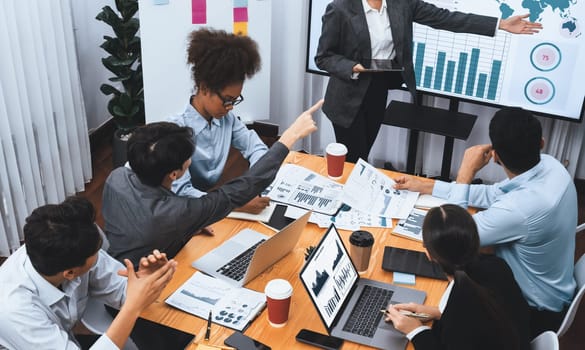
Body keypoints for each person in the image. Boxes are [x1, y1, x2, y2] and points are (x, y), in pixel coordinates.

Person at [394, 107, 578, 337]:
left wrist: (466, 170)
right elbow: (492, 194)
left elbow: (455, 240)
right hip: (553, 289)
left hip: (531, 312)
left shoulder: (520, 209)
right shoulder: (552, 165)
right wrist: (427, 186)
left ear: (495, 156)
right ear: (541, 143)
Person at [315, 0, 543, 163]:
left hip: (377, 89)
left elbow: (447, 18)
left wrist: (500, 24)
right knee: (354, 158)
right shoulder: (340, 8)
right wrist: (352, 67)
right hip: (346, 95)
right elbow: (324, 57)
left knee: (362, 155)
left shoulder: (401, 4)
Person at [102, 100, 322, 266]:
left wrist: (184, 228)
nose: (191, 159)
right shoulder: (175, 214)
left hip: (121, 264)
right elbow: (241, 189)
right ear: (174, 174)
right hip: (138, 293)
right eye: (189, 157)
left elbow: (139, 227)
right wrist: (290, 136)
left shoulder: (117, 177)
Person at [0, 196, 177, 349]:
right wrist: (133, 306)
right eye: (95, 254)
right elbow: (131, 303)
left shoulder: (71, 245)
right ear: (70, 273)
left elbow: (121, 291)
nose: (100, 256)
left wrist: (142, 281)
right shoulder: (15, 310)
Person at [384, 204, 529, 349]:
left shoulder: (460, 308)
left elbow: (462, 327)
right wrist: (438, 313)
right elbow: (483, 319)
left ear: (429, 254)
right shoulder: (496, 265)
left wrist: (415, 331)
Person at [168, 28, 269, 214]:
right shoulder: (175, 132)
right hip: (176, 212)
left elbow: (257, 148)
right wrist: (235, 203)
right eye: (227, 100)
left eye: (235, 100)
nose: (231, 107)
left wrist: (256, 183)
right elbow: (182, 193)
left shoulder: (226, 119)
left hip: (207, 203)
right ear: (204, 88)